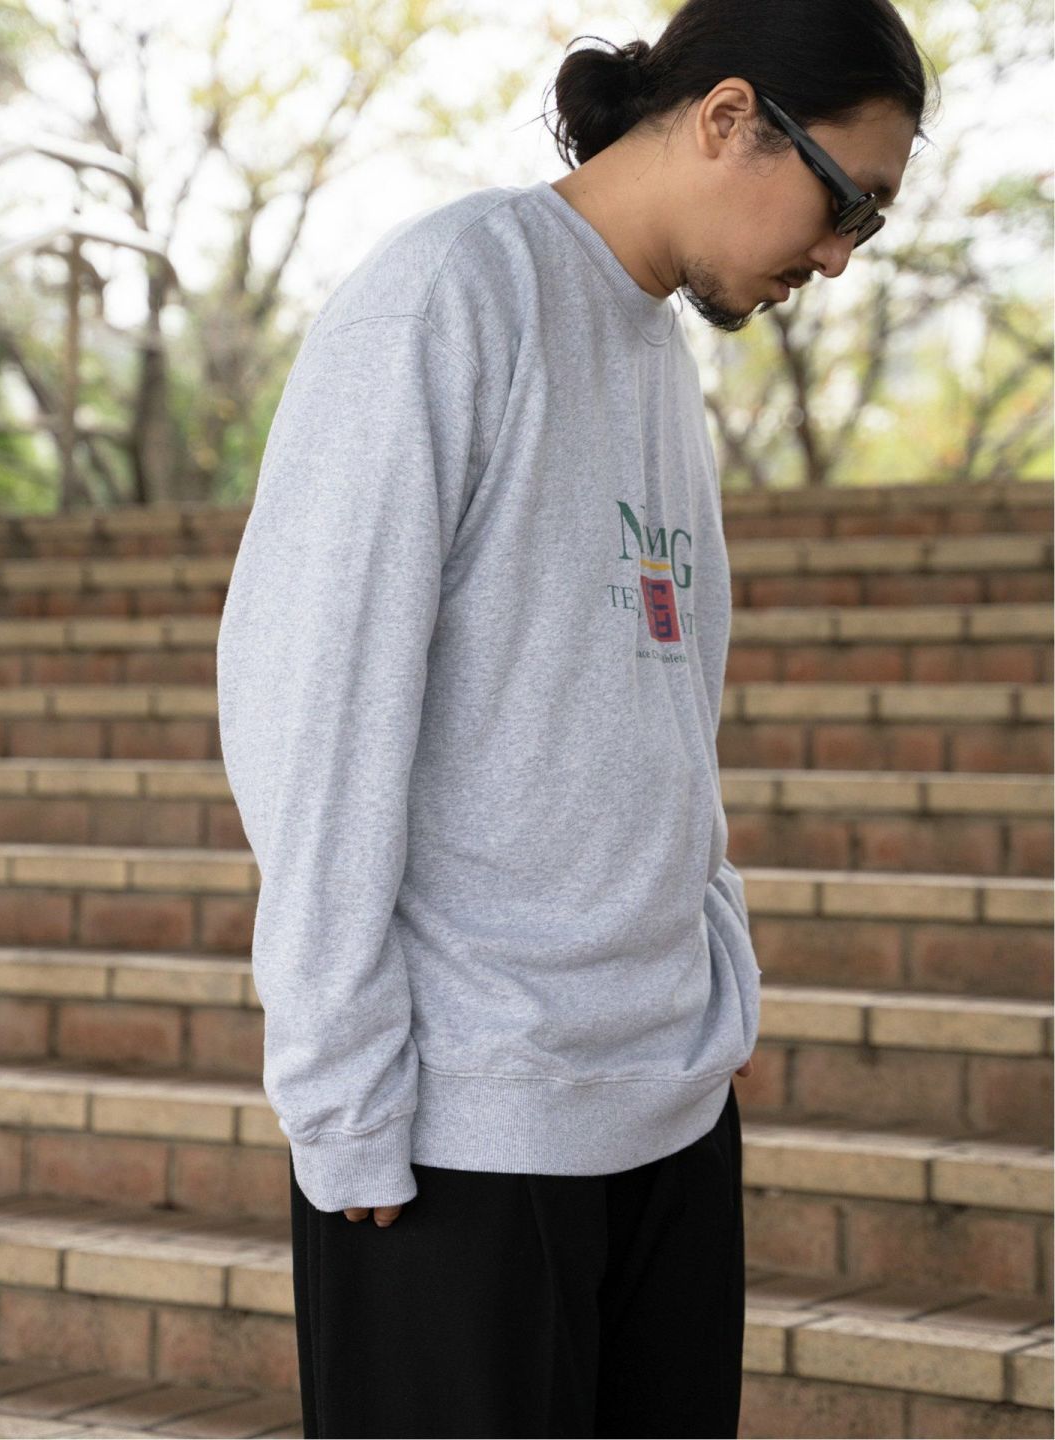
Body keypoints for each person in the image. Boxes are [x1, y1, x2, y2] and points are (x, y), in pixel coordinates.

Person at [215, 1, 937, 1434]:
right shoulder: (452, 296)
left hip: (666, 1109)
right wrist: (344, 1100)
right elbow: (318, 709)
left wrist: (712, 969)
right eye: (845, 202)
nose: (839, 257)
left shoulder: (656, 352)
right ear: (729, 119)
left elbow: (671, 706)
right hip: (466, 1128)